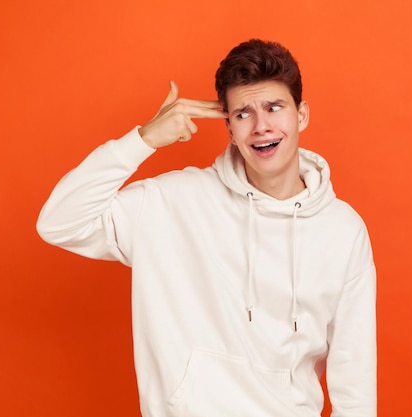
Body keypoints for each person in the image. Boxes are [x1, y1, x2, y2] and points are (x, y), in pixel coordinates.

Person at [37, 39, 376, 417]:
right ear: (229, 127)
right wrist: (144, 139)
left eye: (274, 108)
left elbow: (354, 382)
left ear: (301, 115)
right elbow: (59, 222)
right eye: (244, 114)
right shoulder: (171, 203)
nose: (261, 126)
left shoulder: (343, 231)